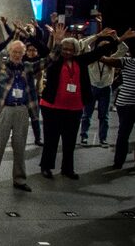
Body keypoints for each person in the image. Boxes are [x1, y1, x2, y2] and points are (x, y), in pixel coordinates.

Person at [0, 20, 60, 192]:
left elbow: (49, 60)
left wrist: (58, 42)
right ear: (9, 53)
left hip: (22, 110)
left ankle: (20, 179)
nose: (17, 55)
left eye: (20, 52)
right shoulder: (1, 66)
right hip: (4, 110)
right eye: (14, 52)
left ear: (24, 54)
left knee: (20, 147)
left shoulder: (28, 67)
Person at [39, 27, 119, 180]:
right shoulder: (55, 60)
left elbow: (99, 52)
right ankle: (46, 166)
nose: (67, 52)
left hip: (74, 109)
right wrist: (55, 41)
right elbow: (42, 49)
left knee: (70, 141)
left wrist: (118, 40)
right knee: (51, 139)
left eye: (71, 49)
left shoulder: (81, 61)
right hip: (52, 108)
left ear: (76, 50)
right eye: (65, 49)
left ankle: (67, 169)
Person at [99, 29, 135, 170]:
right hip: (126, 102)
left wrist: (94, 53)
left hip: (125, 102)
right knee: (123, 134)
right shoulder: (125, 60)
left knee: (123, 133)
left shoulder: (125, 61)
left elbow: (104, 59)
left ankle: (118, 162)